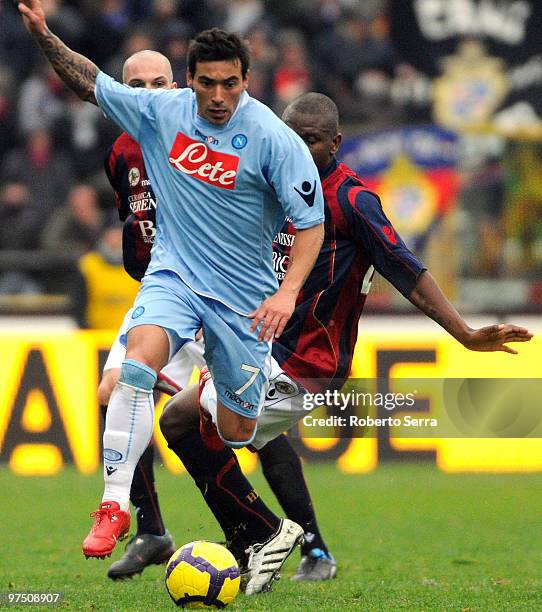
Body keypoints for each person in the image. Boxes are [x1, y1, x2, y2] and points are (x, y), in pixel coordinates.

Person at [159, 91, 534, 590]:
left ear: (335, 143)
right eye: (291, 136)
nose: (298, 147)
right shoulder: (269, 185)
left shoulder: (352, 199)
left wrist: (462, 333)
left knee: (196, 421)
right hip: (260, 350)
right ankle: (282, 542)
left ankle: (262, 535)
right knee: (216, 428)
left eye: (310, 140)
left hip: (309, 363)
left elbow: (406, 269)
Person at [18, 1, 325, 574]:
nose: (216, 96)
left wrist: (286, 294)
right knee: (133, 369)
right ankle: (114, 506)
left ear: (246, 82)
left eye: (228, 84)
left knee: (236, 429)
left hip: (241, 300)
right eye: (206, 83)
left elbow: (311, 224)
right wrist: (43, 34)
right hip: (174, 276)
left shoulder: (273, 140)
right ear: (189, 81)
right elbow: (92, 82)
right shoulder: (163, 112)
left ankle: (270, 518)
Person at [101, 50, 334, 583]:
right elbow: (133, 221)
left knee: (240, 426)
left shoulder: (244, 140)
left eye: (158, 81)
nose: (151, 92)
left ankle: (307, 543)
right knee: (118, 387)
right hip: (170, 288)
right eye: (138, 84)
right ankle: (149, 526)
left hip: (232, 299)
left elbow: (297, 227)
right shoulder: (123, 148)